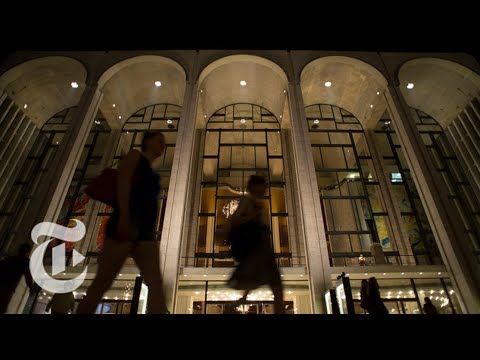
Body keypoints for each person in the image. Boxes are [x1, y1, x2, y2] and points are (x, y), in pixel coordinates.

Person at [77, 131, 169, 314]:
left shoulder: (152, 172)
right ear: (147, 141)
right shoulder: (135, 156)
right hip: (126, 225)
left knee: (156, 283)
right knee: (103, 281)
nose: (163, 145)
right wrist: (124, 217)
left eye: (164, 143)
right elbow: (123, 183)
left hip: (146, 233)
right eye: (159, 141)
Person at [227, 175, 285, 314]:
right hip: (260, 249)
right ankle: (236, 304)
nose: (265, 188)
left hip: (262, 249)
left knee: (260, 282)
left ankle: (238, 303)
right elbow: (235, 220)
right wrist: (253, 216)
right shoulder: (248, 201)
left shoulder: (257, 202)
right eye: (262, 184)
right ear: (254, 186)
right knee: (276, 286)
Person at [0, 243, 34, 314]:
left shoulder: (10, 259)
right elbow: (28, 276)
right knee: (2, 308)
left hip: (2, 283)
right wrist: (31, 287)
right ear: (28, 252)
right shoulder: (25, 261)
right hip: (8, 286)